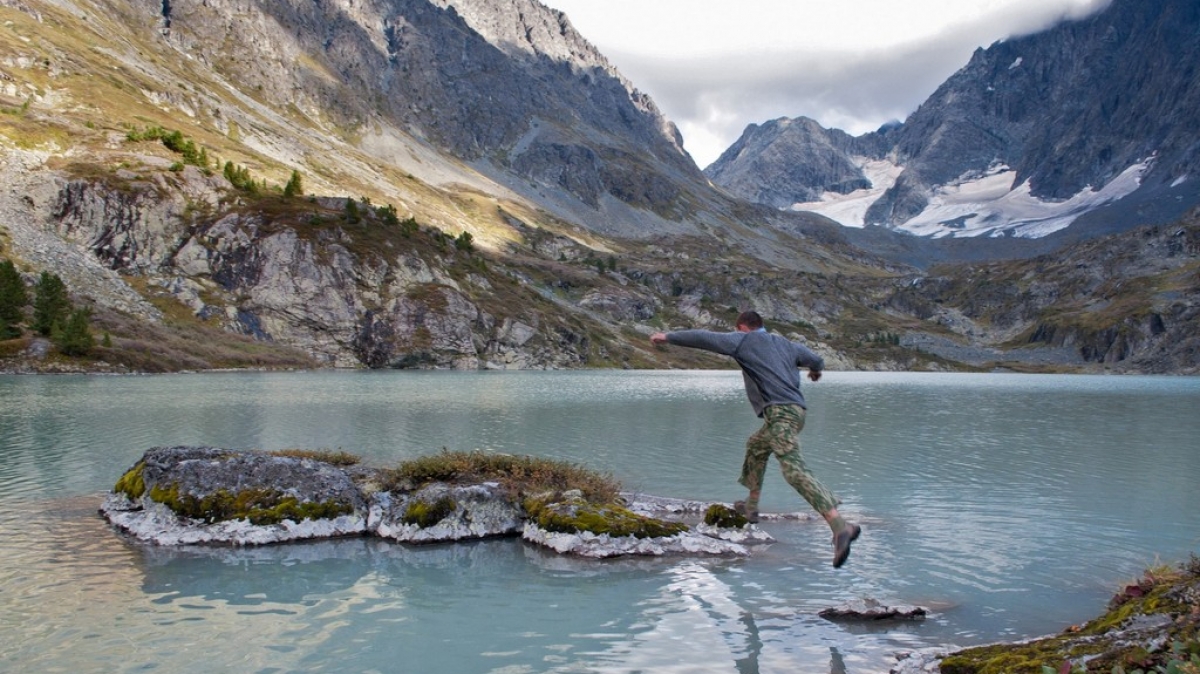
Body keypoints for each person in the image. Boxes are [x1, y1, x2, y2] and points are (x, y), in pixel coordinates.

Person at [650, 310, 861, 568]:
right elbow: (816, 359)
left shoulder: (743, 341)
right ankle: (751, 507)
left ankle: (840, 527)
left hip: (781, 413)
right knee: (756, 446)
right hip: (795, 413)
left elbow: (704, 338)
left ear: (741, 328)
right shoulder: (786, 344)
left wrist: (668, 337)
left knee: (793, 470)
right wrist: (815, 371)